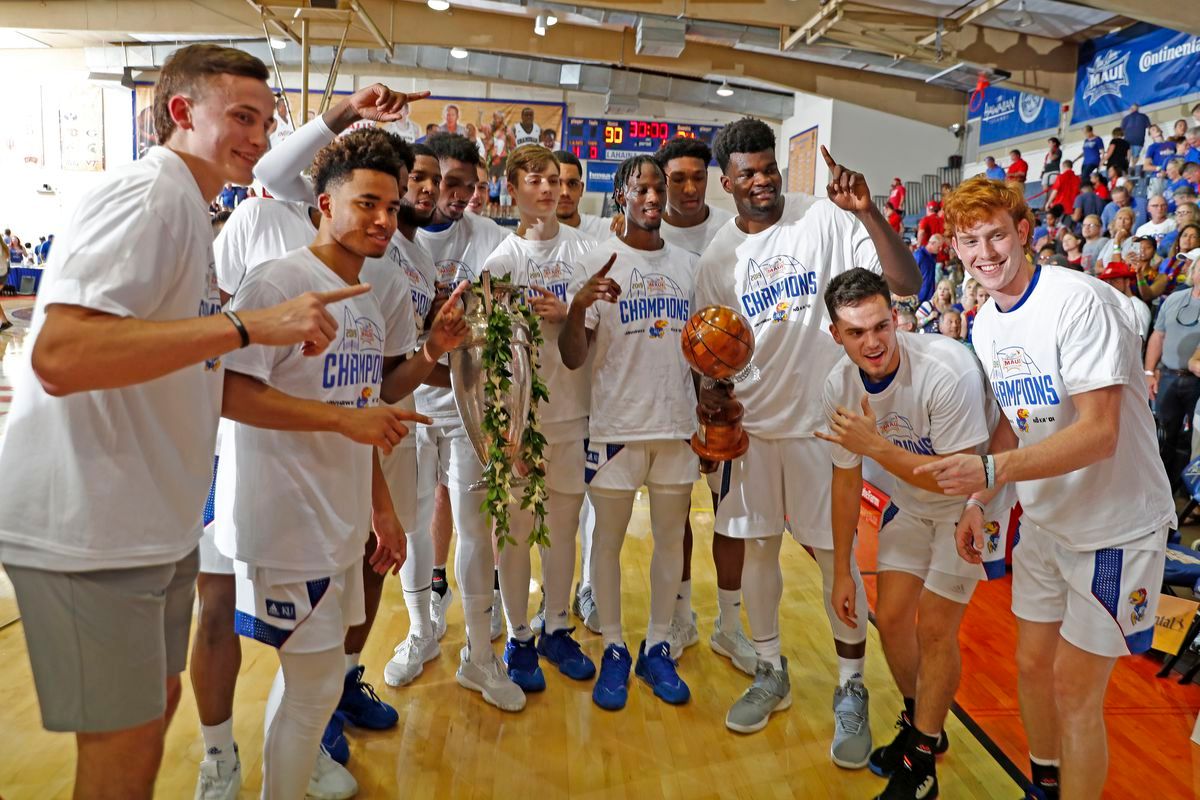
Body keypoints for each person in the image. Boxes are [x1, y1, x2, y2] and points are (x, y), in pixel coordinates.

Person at [0, 43, 372, 800]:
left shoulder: (189, 208)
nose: (259, 139)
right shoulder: (150, 195)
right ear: (181, 112)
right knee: (123, 750)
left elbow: (177, 364)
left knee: (152, 714)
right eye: (241, 117)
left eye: (267, 123)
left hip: (144, 523)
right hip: (87, 530)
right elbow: (62, 352)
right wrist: (245, 328)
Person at [920, 176, 1173, 799]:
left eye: (997, 235)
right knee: (1031, 666)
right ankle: (1045, 784)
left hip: (1115, 528)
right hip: (1047, 523)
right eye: (971, 240)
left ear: (1024, 232)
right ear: (954, 247)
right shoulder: (985, 324)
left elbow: (1100, 435)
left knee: (1074, 690)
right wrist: (982, 498)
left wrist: (990, 473)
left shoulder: (1079, 302)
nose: (985, 252)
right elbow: (1014, 415)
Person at [215, 129, 437, 800]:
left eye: (393, 208)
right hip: (284, 519)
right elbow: (227, 391)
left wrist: (381, 507)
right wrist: (348, 421)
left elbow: (364, 404)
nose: (382, 220)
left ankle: (293, 768)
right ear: (324, 204)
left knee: (310, 687)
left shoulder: (365, 294)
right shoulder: (278, 279)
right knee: (313, 689)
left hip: (336, 517)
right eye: (367, 203)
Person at [693, 118, 920, 755]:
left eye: (768, 167)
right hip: (755, 428)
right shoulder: (718, 257)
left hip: (829, 428)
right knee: (759, 553)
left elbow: (904, 284)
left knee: (835, 560)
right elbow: (712, 354)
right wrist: (710, 394)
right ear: (727, 181)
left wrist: (870, 211)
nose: (762, 180)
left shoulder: (826, 218)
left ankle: (852, 687)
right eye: (748, 173)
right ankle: (770, 669)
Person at [818, 268, 1012, 800]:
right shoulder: (838, 385)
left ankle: (921, 762)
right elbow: (844, 478)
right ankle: (921, 723)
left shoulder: (945, 370)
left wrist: (876, 447)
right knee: (894, 618)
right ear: (836, 335)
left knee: (934, 629)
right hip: (911, 503)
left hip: (971, 505)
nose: (873, 342)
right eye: (856, 333)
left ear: (897, 317)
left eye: (882, 325)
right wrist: (841, 570)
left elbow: (959, 475)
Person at [559, 155, 698, 711]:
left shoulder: (690, 265)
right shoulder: (597, 261)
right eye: (640, 187)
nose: (651, 197)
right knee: (607, 544)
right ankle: (615, 645)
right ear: (621, 195)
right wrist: (577, 305)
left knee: (671, 542)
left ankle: (658, 643)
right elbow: (573, 357)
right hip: (615, 425)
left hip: (676, 424)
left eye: (657, 187)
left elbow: (705, 347)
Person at [479, 144, 598, 694]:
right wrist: (504, 431)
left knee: (564, 531)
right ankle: (518, 634)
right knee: (517, 532)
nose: (549, 190)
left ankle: (557, 626)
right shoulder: (499, 263)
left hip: (572, 412)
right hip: (518, 423)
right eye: (536, 180)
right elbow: (488, 363)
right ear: (514, 189)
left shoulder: (585, 251)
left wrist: (569, 311)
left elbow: (590, 339)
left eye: (556, 180)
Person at [650, 134, 753, 670]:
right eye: (677, 179)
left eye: (697, 177)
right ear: (662, 182)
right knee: (675, 516)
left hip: (725, 395)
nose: (689, 188)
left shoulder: (731, 232)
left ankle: (731, 625)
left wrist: (727, 382)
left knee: (728, 511)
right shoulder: (648, 230)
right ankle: (683, 614)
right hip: (668, 397)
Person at [1146, 254, 1200, 490]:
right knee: (1163, 436)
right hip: (1167, 376)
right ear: (1193, 272)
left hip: (1197, 381)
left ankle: (1191, 495)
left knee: (1196, 441)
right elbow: (1158, 335)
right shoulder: (1175, 298)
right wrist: (1149, 372)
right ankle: (1161, 488)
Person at [552, 149, 610, 241]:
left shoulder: (607, 230)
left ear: (581, 189)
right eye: (556, 183)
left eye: (572, 184)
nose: (565, 192)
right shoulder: (531, 237)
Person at [1096, 260, 1151, 341]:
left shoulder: (1138, 306)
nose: (1110, 284)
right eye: (1107, 281)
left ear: (1127, 282)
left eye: (1115, 280)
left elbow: (1139, 342)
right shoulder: (1109, 304)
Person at [914, 234, 941, 305]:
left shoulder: (933, 257)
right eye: (939, 246)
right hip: (918, 298)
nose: (940, 249)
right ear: (932, 243)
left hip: (929, 298)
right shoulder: (919, 255)